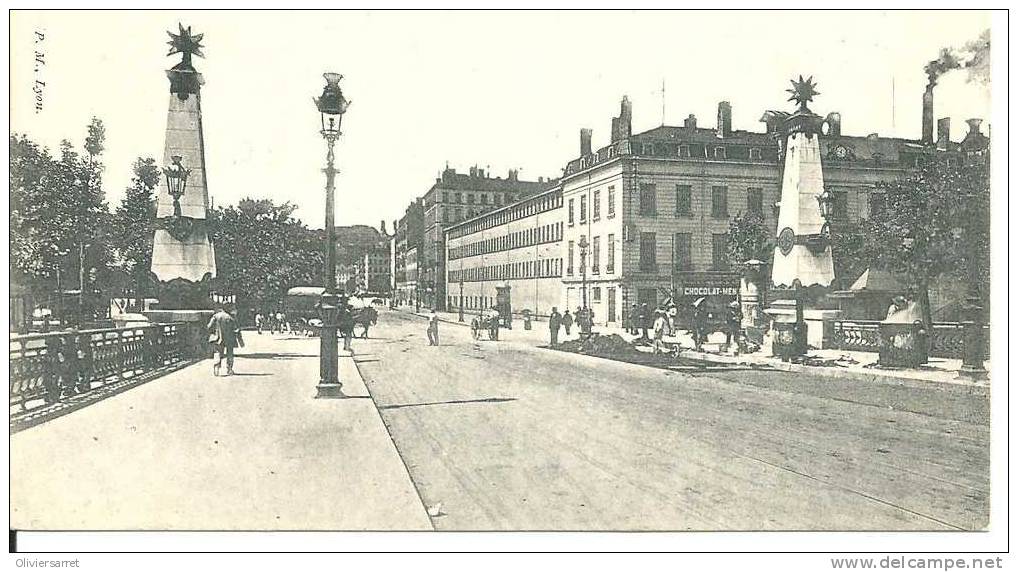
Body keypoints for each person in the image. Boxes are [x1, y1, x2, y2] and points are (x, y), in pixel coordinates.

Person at [207, 305, 244, 376]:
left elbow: (209, 326)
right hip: (230, 338)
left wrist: (213, 333)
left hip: (218, 338)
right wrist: (240, 341)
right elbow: (236, 329)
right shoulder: (231, 317)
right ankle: (229, 369)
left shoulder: (216, 316)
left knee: (218, 352)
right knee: (230, 353)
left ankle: (216, 367)